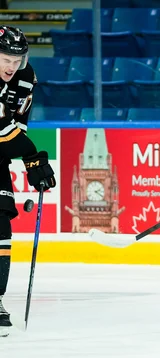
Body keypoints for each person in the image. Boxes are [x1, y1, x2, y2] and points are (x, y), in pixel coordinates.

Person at [0, 26, 57, 337]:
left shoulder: (24, 78)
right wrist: (31, 156)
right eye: (6, 59)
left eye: (17, 59)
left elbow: (15, 127)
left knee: (1, 222)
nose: (12, 66)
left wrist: (29, 158)